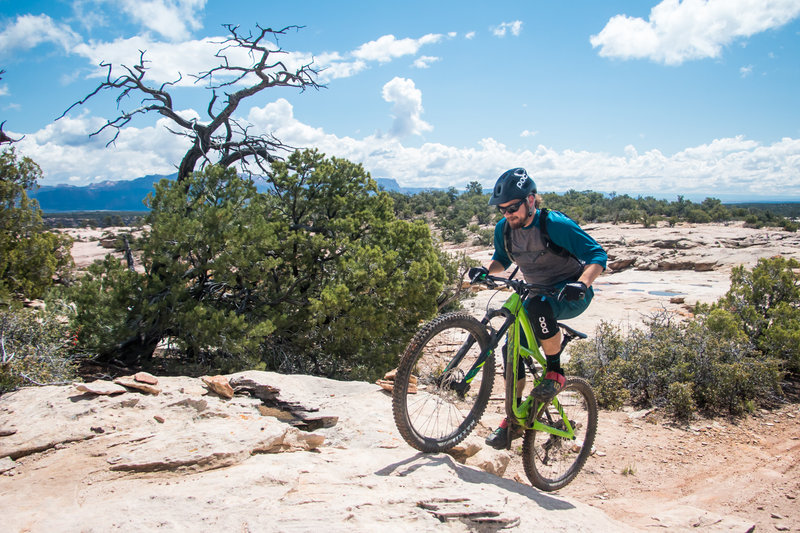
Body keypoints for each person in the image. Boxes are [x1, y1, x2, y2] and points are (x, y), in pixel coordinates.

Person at [468, 168, 607, 450]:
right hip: (536, 292)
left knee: (539, 307)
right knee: (511, 350)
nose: (507, 214)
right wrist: (486, 271)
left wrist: (582, 283)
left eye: (512, 207)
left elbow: (597, 254)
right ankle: (514, 417)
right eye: (502, 209)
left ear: (531, 200)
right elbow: (501, 260)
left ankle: (555, 372)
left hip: (570, 293)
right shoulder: (504, 229)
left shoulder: (554, 224)